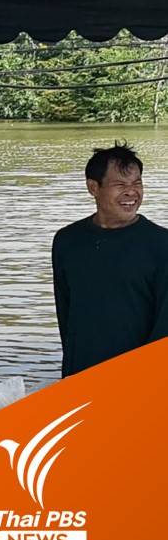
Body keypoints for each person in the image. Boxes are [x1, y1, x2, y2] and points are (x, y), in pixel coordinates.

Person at [52, 143, 168, 377]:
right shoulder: (67, 241)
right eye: (120, 185)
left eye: (137, 184)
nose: (131, 192)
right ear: (93, 187)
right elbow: (66, 315)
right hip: (80, 374)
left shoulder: (161, 244)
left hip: (141, 379)